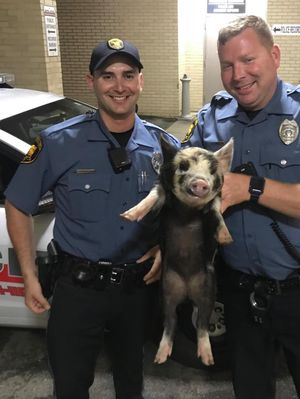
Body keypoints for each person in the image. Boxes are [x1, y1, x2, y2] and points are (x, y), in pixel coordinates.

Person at [183, 15, 300, 399]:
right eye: (227, 65)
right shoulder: (211, 118)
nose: (238, 75)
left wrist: (252, 187)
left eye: (248, 60)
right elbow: (182, 186)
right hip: (241, 296)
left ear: (275, 55)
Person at [5, 38, 180, 399]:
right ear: (91, 81)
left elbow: (180, 209)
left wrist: (167, 249)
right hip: (77, 291)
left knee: (131, 383)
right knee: (70, 385)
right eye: (108, 76)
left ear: (141, 81)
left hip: (136, 291)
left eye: (128, 75)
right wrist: (29, 274)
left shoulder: (163, 146)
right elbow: (18, 203)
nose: (119, 86)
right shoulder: (57, 142)